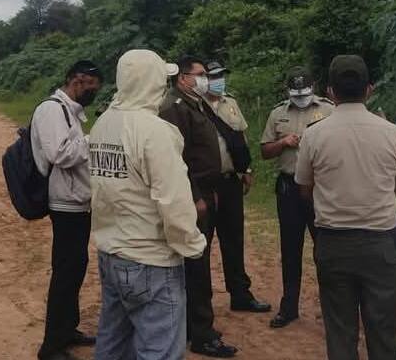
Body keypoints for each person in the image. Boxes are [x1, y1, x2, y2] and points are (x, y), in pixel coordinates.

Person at [88, 49, 208, 360]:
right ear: (154, 82)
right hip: (150, 260)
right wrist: (192, 244)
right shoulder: (155, 131)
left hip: (111, 253)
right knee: (160, 350)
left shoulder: (103, 123)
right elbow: (173, 200)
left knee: (113, 344)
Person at [295, 55, 396, 360]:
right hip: (380, 245)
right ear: (369, 89)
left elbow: (305, 189)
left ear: (330, 91)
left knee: (341, 330)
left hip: (334, 245)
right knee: (384, 330)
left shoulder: (314, 134)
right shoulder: (392, 132)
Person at [159, 55, 239, 357]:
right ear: (182, 78)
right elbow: (176, 159)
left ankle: (197, 325)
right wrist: (195, 194)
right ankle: (201, 333)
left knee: (199, 261)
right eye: (200, 74)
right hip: (192, 193)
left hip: (206, 189)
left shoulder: (195, 103)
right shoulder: (174, 108)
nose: (206, 78)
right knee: (196, 263)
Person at [31, 60, 103, 360]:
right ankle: (51, 347)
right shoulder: (51, 109)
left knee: (75, 269)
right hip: (64, 204)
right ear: (77, 80)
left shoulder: (70, 110)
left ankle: (67, 329)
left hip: (77, 202)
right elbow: (60, 154)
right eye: (91, 88)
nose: (93, 94)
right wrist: (93, 140)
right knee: (65, 273)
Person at [260, 67, 334, 329]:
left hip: (320, 189)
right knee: (290, 250)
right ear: (287, 90)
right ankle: (288, 307)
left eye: (304, 92)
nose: (300, 97)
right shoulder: (278, 113)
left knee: (324, 250)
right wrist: (283, 143)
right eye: (295, 92)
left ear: (314, 86)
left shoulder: (329, 110)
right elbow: (265, 151)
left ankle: (331, 308)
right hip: (289, 188)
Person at [200, 59, 271, 313]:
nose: (219, 80)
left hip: (231, 180)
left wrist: (246, 169)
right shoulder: (194, 106)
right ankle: (200, 299)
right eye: (214, 76)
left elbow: (239, 138)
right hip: (205, 183)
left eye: (222, 75)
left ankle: (240, 293)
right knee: (202, 242)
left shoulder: (231, 103)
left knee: (234, 239)